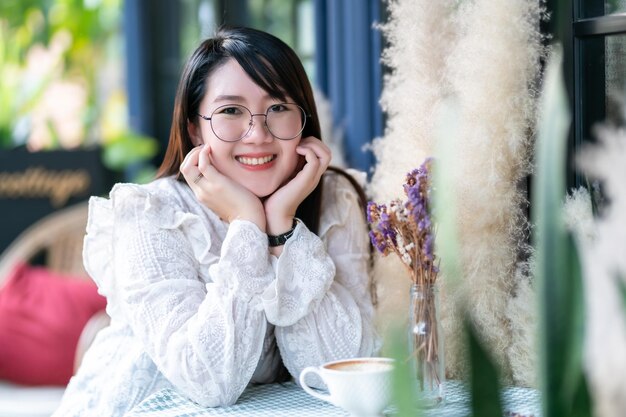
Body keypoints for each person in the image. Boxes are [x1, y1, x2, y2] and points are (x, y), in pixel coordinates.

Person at [52, 26, 376, 416]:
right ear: (194, 128)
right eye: (230, 111)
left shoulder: (333, 199)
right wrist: (247, 226)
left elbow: (337, 372)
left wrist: (282, 228)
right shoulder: (151, 213)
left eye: (278, 108)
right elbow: (209, 382)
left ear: (302, 122)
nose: (257, 134)